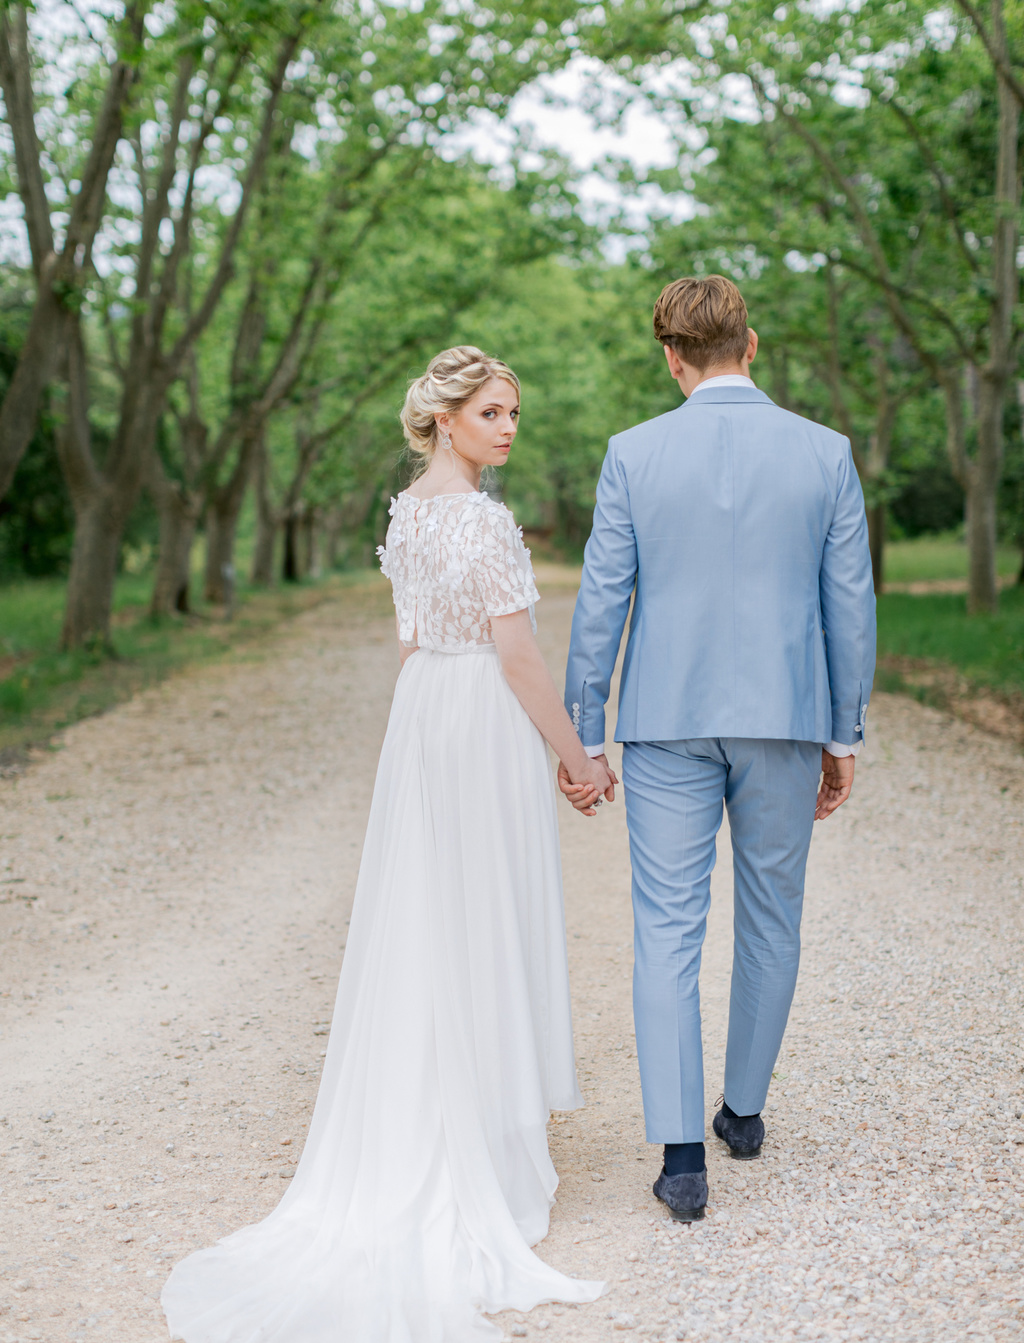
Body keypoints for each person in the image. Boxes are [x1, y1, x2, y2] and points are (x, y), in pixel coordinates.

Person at [161, 347, 611, 1342]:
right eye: (491, 412)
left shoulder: (407, 514)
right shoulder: (481, 522)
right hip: (479, 713)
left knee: (430, 915)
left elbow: (410, 642)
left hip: (424, 710)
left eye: (514, 413)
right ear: (446, 419)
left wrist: (426, 727)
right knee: (481, 913)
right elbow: (518, 654)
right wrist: (576, 755)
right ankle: (480, 1138)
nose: (508, 427)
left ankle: (446, 1112)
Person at [561, 275, 876, 1222]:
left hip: (665, 720)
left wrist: (584, 731)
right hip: (787, 717)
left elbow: (601, 598)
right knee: (773, 913)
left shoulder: (634, 453)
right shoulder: (825, 453)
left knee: (666, 925)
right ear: (752, 342)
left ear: (672, 357)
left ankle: (682, 1157)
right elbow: (849, 606)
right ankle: (742, 1110)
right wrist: (843, 730)